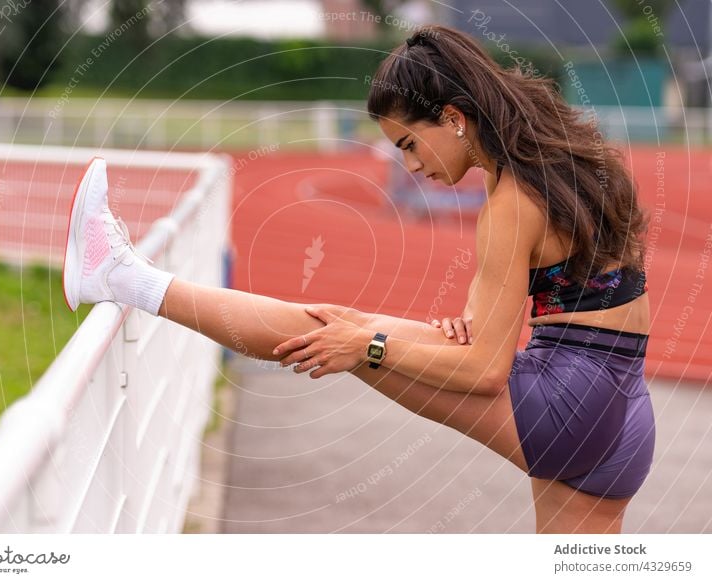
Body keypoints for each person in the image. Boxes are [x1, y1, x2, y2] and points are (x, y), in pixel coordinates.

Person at [62, 25, 654, 534]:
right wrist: (459, 326)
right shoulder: (561, 162)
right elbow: (527, 311)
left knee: (336, 329)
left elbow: (485, 370)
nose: (410, 165)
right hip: (625, 411)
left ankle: (121, 276)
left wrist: (368, 349)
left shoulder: (510, 203)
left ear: (453, 117)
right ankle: (123, 274)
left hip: (569, 403)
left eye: (408, 143)